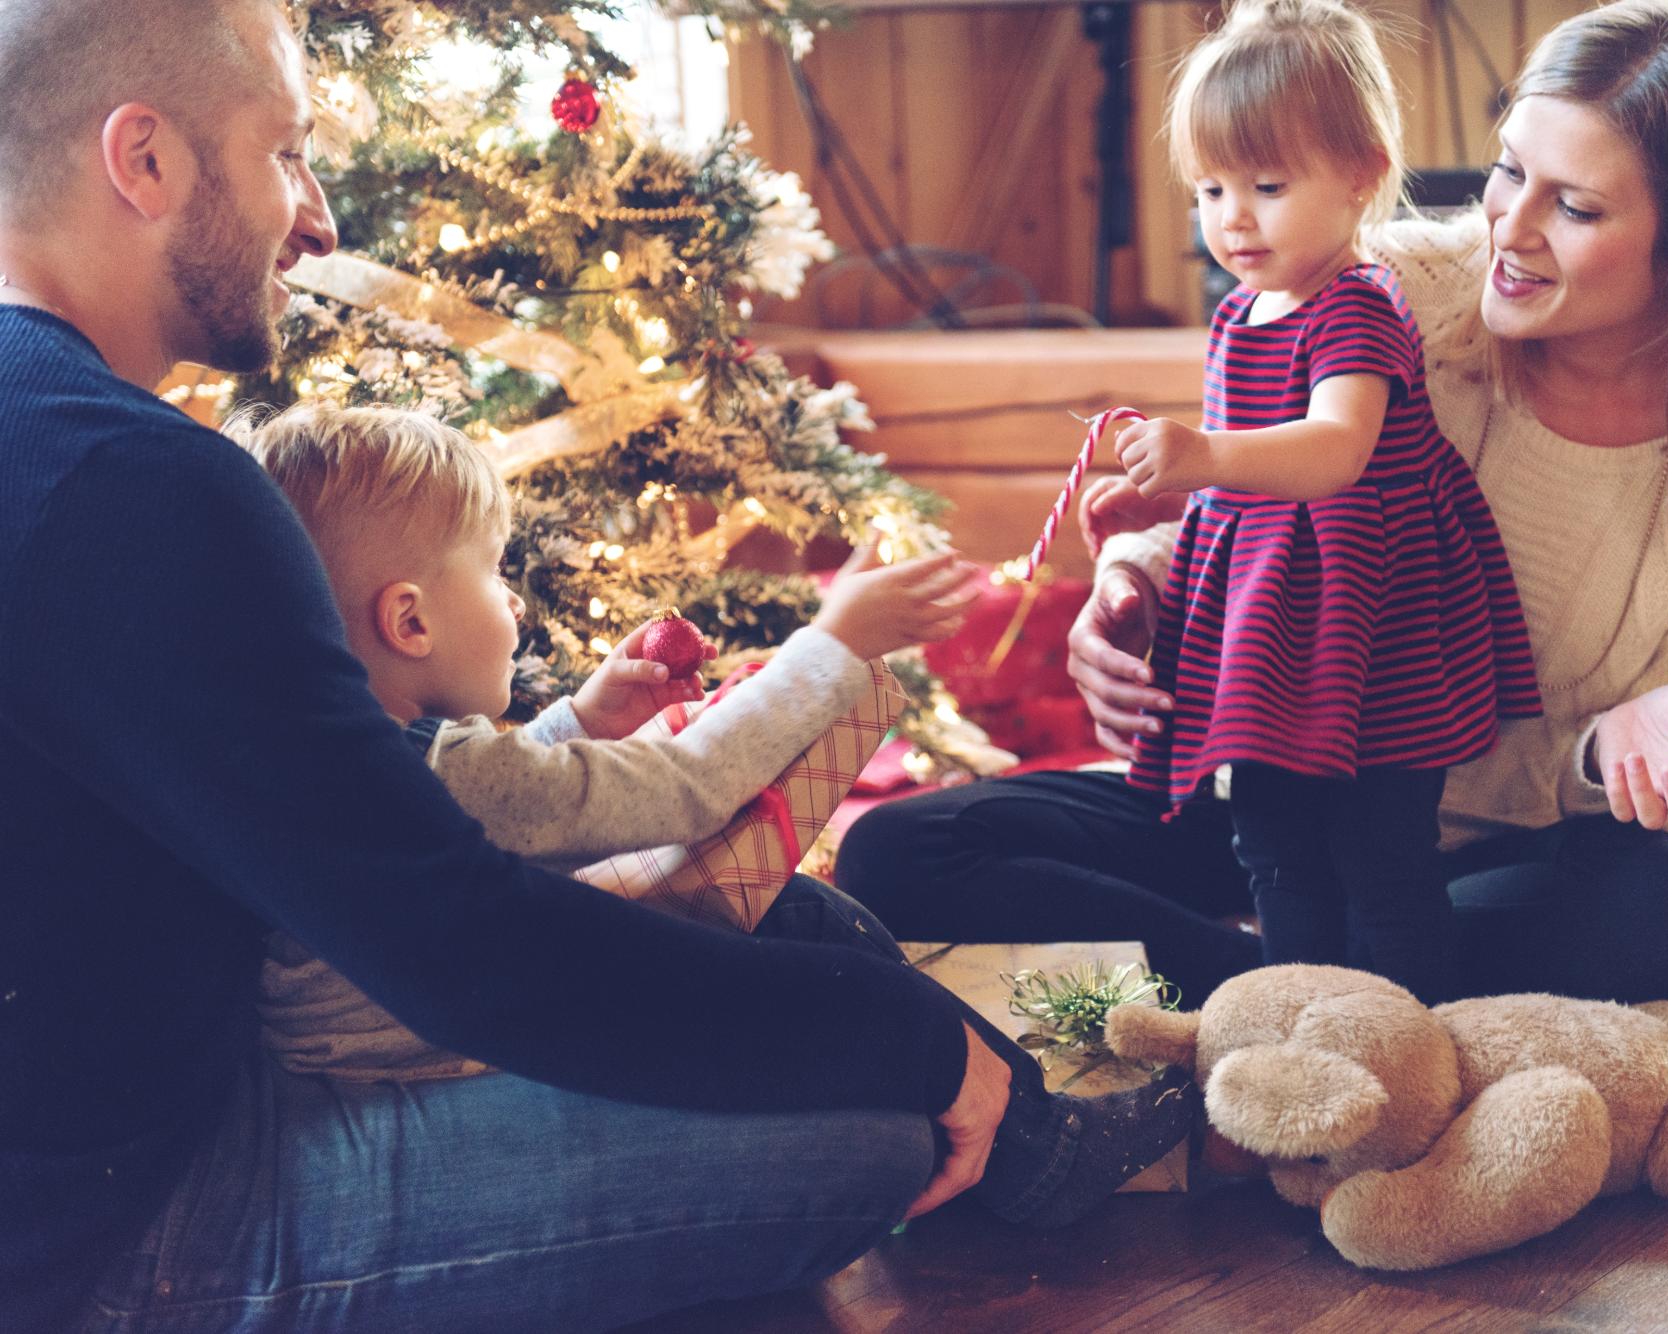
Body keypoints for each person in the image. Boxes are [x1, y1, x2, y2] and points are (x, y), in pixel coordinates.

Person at [0, 4, 1191, 1330]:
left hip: (92, 1149)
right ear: (144, 161)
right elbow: (464, 942)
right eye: (283, 151)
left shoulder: (57, 446)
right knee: (865, 1131)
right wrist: (914, 1040)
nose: (320, 218)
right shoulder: (132, 485)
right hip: (130, 1225)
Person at [839, 0, 1668, 1011]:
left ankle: (1277, 987)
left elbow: (1655, 772)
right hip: (1274, 781)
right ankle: (1343, 994)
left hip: (1490, 847)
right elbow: (1243, 507)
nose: (1506, 230)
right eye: (1508, 170)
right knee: (900, 847)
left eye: (1573, 206)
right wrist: (1129, 586)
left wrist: (1626, 741)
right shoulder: (1391, 287)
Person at [233, 400, 938, 1079]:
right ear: (410, 624)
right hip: (426, 1068)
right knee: (805, 943)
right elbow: (690, 786)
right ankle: (1018, 1130)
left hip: (383, 1052)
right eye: (493, 568)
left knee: (790, 927)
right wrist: (833, 645)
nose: (513, 601)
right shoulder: (433, 773)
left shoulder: (370, 761)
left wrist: (584, 724)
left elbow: (495, 806)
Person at [1087, 0, 1540, 1003]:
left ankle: (1406, 1032)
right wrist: (1155, 510)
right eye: (1209, 187)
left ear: (1360, 175)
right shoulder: (1238, 311)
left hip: (1366, 632)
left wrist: (1202, 452)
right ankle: (1298, 1020)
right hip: (1272, 633)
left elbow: (1335, 450)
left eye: (1265, 184)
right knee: (1271, 839)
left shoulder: (1357, 305)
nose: (1230, 216)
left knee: (1378, 848)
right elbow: (1239, 493)